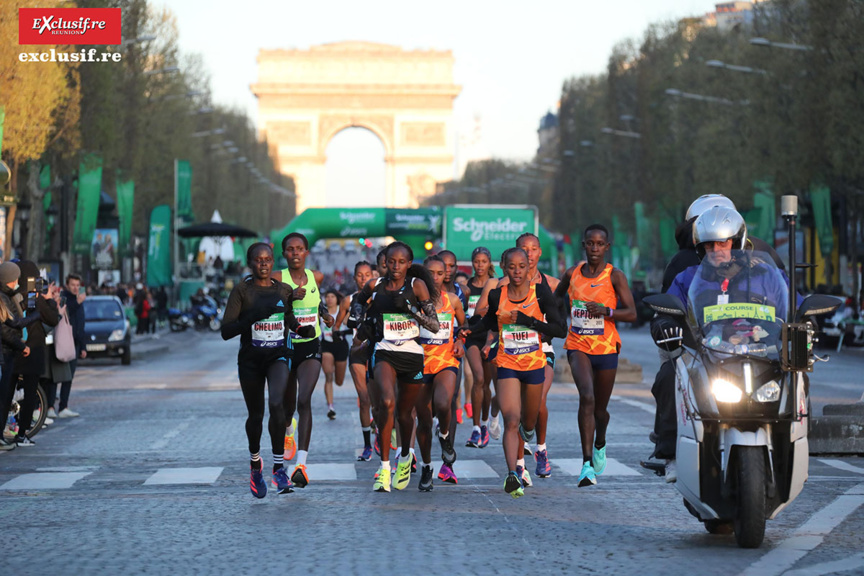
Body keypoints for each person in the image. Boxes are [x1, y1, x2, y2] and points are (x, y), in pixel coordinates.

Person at [652, 198, 786, 482]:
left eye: (723, 243)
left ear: (737, 242)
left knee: (797, 375)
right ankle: (672, 454)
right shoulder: (688, 277)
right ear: (700, 248)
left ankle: (794, 442)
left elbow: (793, 305)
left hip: (762, 354)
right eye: (709, 246)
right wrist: (663, 323)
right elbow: (667, 307)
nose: (716, 251)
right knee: (668, 374)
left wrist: (805, 320)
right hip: (708, 356)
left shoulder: (766, 274)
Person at [222, 242, 313, 498]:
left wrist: (300, 329)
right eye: (258, 260)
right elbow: (226, 331)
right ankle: (255, 464)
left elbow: (289, 319)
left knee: (277, 405)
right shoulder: (242, 291)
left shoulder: (283, 290)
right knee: (256, 415)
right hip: (250, 360)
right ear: (251, 263)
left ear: (273, 262)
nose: (263, 264)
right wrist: (253, 317)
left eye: (268, 259)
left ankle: (278, 468)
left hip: (278, 356)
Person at [477, 248, 565, 498]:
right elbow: (489, 324)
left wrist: (530, 322)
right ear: (504, 267)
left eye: (521, 267)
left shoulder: (541, 293)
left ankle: (529, 440)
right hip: (507, 364)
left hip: (535, 365)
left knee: (529, 421)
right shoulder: (497, 295)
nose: (517, 271)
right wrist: (468, 330)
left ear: (529, 269)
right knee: (512, 420)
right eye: (512, 267)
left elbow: (559, 329)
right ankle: (512, 474)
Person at [555, 224, 637, 488]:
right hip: (578, 345)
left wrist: (606, 311)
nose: (594, 248)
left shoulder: (615, 277)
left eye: (599, 244)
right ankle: (586, 464)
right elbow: (555, 300)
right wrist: (550, 325)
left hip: (606, 348)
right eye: (590, 243)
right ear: (583, 245)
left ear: (607, 247)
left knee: (600, 410)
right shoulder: (572, 274)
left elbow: (633, 313)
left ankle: (600, 440)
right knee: (587, 397)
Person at [355, 241, 440, 492]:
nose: (395, 266)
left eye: (401, 262)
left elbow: (434, 325)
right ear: (385, 263)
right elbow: (358, 302)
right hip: (385, 352)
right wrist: (359, 316)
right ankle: (383, 469)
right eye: (391, 262)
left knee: (405, 414)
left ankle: (404, 457)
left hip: (412, 355)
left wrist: (412, 310)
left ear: (409, 264)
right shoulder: (376, 285)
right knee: (386, 403)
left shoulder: (417, 286)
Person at [272, 232, 334, 489]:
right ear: (284, 253)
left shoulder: (316, 277)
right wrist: (287, 298)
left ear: (307, 253)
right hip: (285, 347)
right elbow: (268, 306)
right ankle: (289, 429)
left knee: (304, 400)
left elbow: (317, 303)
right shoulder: (277, 278)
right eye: (290, 249)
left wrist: (325, 315)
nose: (295, 253)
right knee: (286, 408)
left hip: (311, 345)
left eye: (300, 249)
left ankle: (301, 464)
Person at [415, 255, 467, 491]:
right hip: (419, 361)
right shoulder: (414, 300)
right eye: (430, 273)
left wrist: (460, 341)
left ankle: (445, 436)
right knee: (424, 421)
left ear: (445, 274)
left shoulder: (452, 300)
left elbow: (464, 326)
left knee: (444, 403)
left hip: (446, 359)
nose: (434, 278)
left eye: (439, 273)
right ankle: (426, 466)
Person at [11, 261, 60, 446]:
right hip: (32, 352)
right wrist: (48, 299)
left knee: (9, 391)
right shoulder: (34, 297)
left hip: (15, 349)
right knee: (29, 394)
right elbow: (53, 319)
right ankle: (21, 433)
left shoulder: (14, 297)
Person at [334, 261, 376, 461]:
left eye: (367, 274)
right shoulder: (348, 301)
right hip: (358, 352)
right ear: (354, 278)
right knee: (364, 398)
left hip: (379, 350)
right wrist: (339, 332)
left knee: (381, 399)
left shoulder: (379, 297)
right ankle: (367, 445)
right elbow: (336, 325)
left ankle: (383, 429)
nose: (363, 278)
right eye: (359, 275)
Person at [436, 249, 468, 483]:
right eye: (443, 266)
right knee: (425, 410)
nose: (448, 270)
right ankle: (414, 455)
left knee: (449, 400)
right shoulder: (420, 292)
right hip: (425, 356)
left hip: (450, 356)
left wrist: (460, 339)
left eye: (451, 266)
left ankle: (448, 464)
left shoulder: (461, 293)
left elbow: (464, 324)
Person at [463, 247, 497, 450]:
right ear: (472, 263)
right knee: (478, 378)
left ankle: (484, 423)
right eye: (476, 261)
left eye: (484, 261)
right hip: (472, 337)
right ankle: (475, 428)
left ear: (489, 263)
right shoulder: (466, 287)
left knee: (487, 385)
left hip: (491, 337)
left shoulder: (496, 286)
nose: (480, 265)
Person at [0, 262, 31, 451]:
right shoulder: (3, 298)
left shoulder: (8, 296)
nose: (18, 282)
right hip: (4, 353)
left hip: (7, 352)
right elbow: (8, 328)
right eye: (15, 279)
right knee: (3, 397)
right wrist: (21, 345)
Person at [57, 273, 86, 418]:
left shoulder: (78, 300)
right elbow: (65, 312)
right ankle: (51, 405)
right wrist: (78, 302)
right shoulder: (65, 298)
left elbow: (81, 325)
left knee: (69, 376)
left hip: (75, 343)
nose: (75, 288)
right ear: (67, 285)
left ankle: (64, 406)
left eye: (77, 285)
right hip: (63, 341)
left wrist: (84, 346)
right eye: (73, 285)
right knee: (57, 375)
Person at [320, 289, 349, 420]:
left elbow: (350, 324)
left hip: (341, 345)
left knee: (339, 381)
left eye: (332, 296)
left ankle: (337, 381)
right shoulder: (321, 312)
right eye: (327, 297)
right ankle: (330, 407)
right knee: (328, 375)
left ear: (337, 299)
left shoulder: (342, 310)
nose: (330, 299)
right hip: (326, 345)